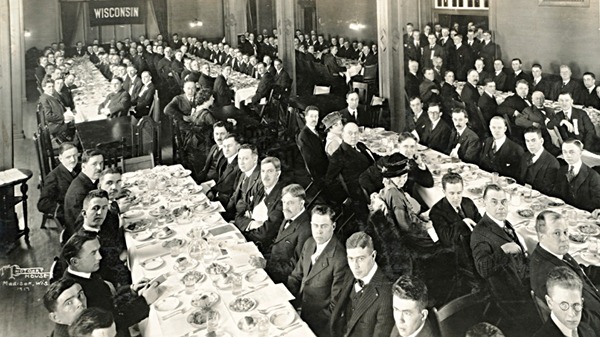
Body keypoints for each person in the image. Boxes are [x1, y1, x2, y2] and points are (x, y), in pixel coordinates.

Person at [61, 232, 158, 335]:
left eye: (98, 250)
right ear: (75, 262)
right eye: (93, 253)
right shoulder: (76, 294)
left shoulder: (84, 272)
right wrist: (144, 301)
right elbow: (111, 323)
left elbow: (109, 300)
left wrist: (131, 290)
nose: (99, 257)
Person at [471, 184, 531, 325]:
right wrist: (504, 250)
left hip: (522, 279)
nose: (500, 207)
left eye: (504, 201)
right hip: (509, 294)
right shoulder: (480, 233)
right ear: (484, 203)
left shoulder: (503, 223)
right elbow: (483, 268)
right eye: (494, 202)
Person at [530, 210, 600, 332]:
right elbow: (578, 317)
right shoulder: (547, 273)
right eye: (556, 233)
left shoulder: (554, 253)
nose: (564, 238)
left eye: (565, 232)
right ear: (541, 236)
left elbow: (579, 271)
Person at [287, 205, 350, 337]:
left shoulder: (339, 259)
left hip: (317, 324)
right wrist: (288, 304)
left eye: (324, 226)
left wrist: (303, 319)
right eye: (315, 225)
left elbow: (335, 307)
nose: (318, 231)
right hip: (297, 309)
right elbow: (295, 277)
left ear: (333, 227)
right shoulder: (309, 243)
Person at [330, 232, 394, 337]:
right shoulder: (350, 274)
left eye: (360, 259)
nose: (355, 266)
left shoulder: (386, 295)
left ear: (373, 256)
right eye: (351, 259)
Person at [235, 157, 284, 251]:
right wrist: (252, 223)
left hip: (260, 247)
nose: (265, 176)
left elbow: (265, 233)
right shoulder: (261, 190)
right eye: (263, 171)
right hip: (249, 237)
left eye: (270, 171)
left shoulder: (282, 198)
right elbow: (238, 216)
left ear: (278, 174)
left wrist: (246, 225)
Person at [265, 184, 312, 283]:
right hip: (272, 267)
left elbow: (294, 267)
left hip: (282, 279)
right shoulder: (291, 215)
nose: (284, 208)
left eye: (290, 203)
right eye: (284, 202)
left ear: (301, 203)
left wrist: (266, 265)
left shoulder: (306, 229)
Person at [533, 267, 598, 337]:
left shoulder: (587, 330)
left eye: (576, 305)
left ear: (582, 302)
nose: (572, 314)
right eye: (564, 305)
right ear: (549, 303)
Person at [326, 122, 377, 203]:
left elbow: (373, 157)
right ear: (342, 135)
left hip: (373, 178)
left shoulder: (360, 145)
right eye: (350, 133)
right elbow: (330, 180)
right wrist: (345, 198)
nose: (354, 136)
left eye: (356, 133)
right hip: (363, 190)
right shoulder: (338, 155)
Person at [430, 172, 481, 249]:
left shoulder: (468, 202)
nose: (456, 197)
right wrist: (464, 223)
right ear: (444, 192)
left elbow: (481, 223)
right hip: (457, 252)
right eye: (452, 193)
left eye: (459, 193)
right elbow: (446, 239)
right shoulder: (436, 211)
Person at [64, 150, 104, 237]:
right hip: (83, 235)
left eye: (101, 163)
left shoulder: (87, 180)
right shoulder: (80, 192)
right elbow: (85, 224)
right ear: (83, 166)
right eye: (94, 164)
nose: (99, 168)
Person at [38, 142, 80, 226]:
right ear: (60, 158)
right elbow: (43, 204)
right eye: (68, 157)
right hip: (70, 216)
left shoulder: (80, 168)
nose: (73, 160)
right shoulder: (53, 177)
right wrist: (63, 211)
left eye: (75, 155)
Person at [554, 139, 600, 212]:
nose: (567, 155)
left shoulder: (593, 176)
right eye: (564, 152)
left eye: (572, 152)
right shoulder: (561, 171)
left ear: (580, 153)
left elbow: (597, 203)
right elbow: (556, 194)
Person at [515, 91, 561, 155]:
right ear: (532, 100)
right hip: (541, 133)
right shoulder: (528, 110)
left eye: (541, 98)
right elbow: (518, 121)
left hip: (554, 132)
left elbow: (556, 120)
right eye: (537, 98)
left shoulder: (550, 110)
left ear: (544, 99)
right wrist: (532, 123)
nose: (539, 100)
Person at [518, 127, 559, 196]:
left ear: (541, 141)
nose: (530, 144)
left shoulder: (552, 163)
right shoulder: (525, 156)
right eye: (527, 141)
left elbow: (548, 191)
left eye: (533, 140)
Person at [205, 133, 241, 207]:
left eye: (229, 146)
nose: (226, 149)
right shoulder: (224, 160)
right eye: (224, 146)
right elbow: (221, 182)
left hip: (226, 204)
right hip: (218, 196)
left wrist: (215, 200)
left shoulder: (240, 165)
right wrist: (212, 191)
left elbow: (234, 194)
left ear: (238, 146)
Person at [227, 144, 261, 220]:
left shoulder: (261, 179)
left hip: (243, 220)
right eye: (239, 158)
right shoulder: (243, 173)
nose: (241, 162)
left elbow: (251, 210)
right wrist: (225, 214)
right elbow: (234, 196)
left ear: (255, 159)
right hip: (234, 216)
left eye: (245, 159)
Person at [297, 106, 328, 181]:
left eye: (316, 116)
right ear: (306, 117)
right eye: (311, 116)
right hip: (320, 173)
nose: (314, 119)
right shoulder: (304, 136)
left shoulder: (315, 131)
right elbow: (310, 160)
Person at [461, 69, 485, 137]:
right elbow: (477, 106)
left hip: (472, 117)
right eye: (473, 76)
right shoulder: (470, 91)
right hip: (476, 119)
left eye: (477, 76)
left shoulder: (468, 87)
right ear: (468, 77)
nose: (475, 78)